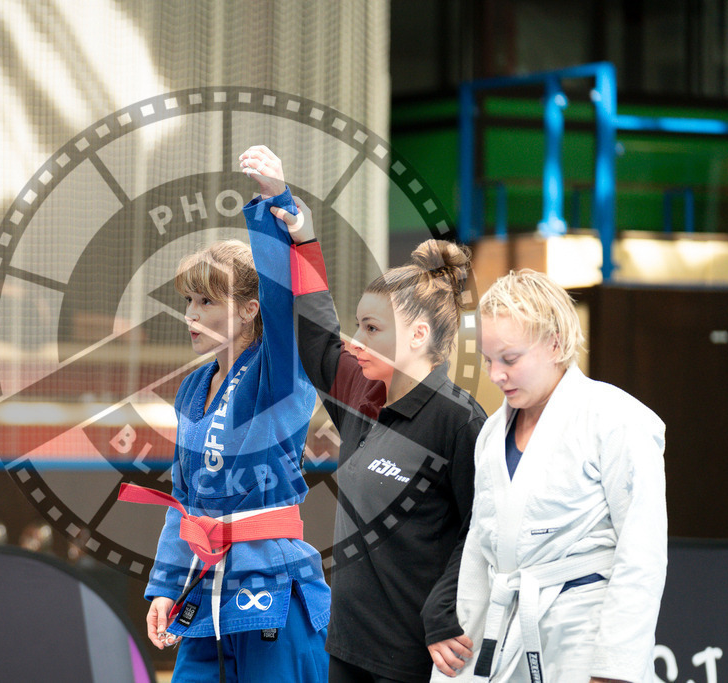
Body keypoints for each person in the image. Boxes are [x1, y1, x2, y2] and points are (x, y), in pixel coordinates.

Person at [244, 144, 486, 683]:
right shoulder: (362, 393)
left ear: (418, 336)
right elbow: (317, 333)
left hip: (418, 657)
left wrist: (444, 613)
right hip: (347, 647)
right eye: (359, 324)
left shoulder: (461, 422)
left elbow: (480, 531)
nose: (356, 340)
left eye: (372, 329)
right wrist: (299, 232)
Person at [117, 147, 330, 682]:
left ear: (250, 310)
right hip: (203, 584)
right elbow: (184, 499)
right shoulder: (193, 388)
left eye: (207, 302)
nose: (191, 315)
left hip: (271, 584)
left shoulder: (280, 375)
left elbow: (286, 301)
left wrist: (274, 204)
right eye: (189, 302)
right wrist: (165, 587)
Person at [434, 270, 666, 683]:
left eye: (510, 359)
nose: (496, 375)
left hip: (583, 630)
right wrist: (461, 632)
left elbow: (642, 553)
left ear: (555, 344)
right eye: (488, 360)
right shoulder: (492, 433)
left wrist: (614, 669)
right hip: (504, 627)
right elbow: (480, 548)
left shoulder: (617, 419)